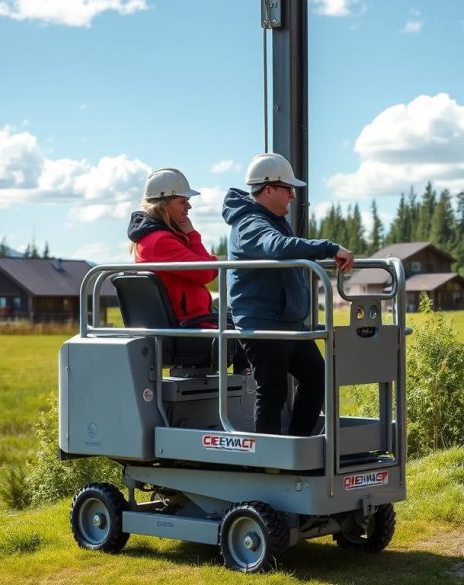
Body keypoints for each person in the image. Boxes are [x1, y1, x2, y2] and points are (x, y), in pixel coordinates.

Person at [222, 152, 354, 436]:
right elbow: (277, 247)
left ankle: (296, 446)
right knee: (272, 392)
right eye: (288, 188)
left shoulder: (269, 218)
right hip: (263, 325)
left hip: (285, 322)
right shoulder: (250, 224)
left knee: (317, 379)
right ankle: (269, 462)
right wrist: (329, 248)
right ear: (269, 189)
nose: (293, 195)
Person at [127, 167, 249, 372]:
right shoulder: (161, 240)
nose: (188, 206)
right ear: (164, 206)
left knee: (237, 320)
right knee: (249, 325)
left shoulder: (152, 238)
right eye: (182, 201)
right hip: (190, 325)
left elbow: (202, 266)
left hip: (185, 323)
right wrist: (192, 234)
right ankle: (255, 392)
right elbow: (206, 272)